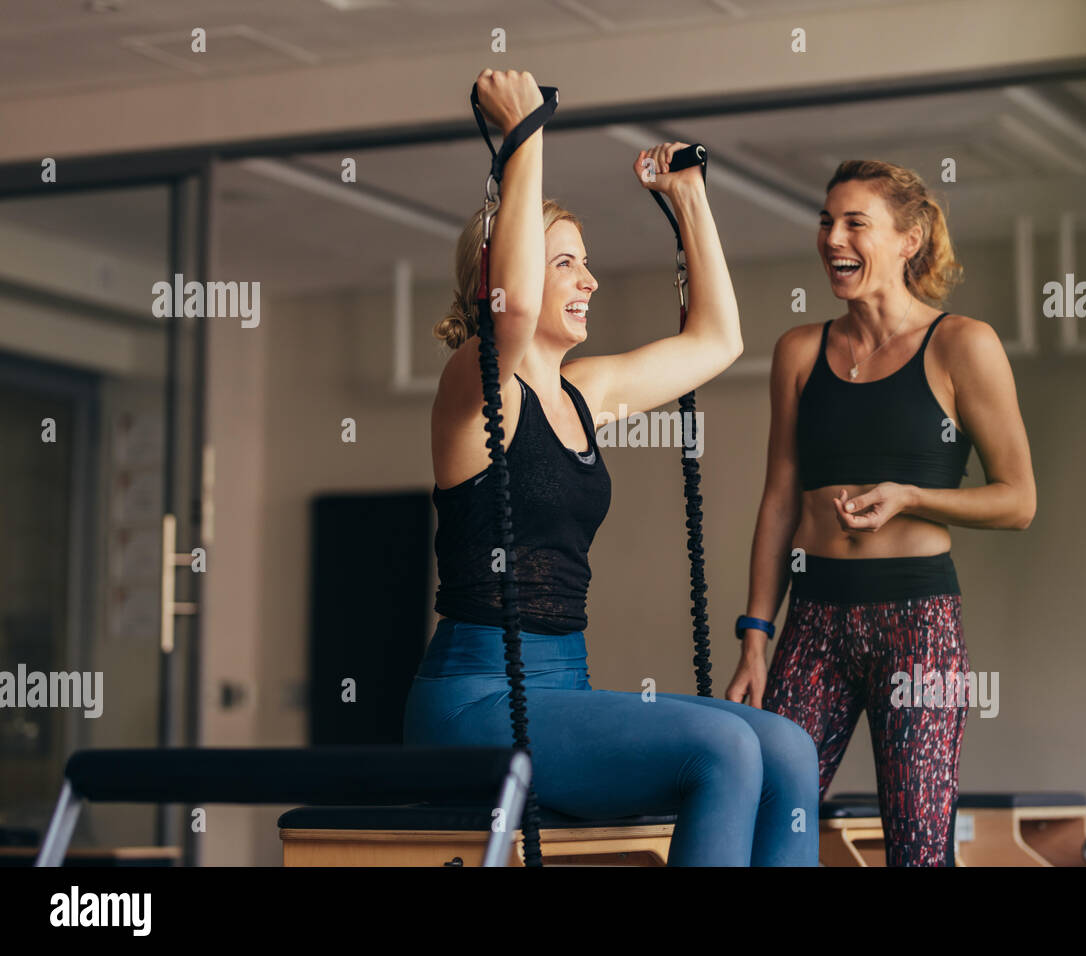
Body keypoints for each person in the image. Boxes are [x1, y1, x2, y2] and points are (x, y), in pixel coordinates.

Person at [403, 69, 820, 866]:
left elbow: (716, 344)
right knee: (723, 752)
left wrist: (689, 199)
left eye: (583, 262)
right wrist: (526, 138)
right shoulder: (473, 383)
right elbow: (512, 310)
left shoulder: (582, 393)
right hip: (478, 699)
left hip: (561, 687)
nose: (589, 279)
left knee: (788, 750)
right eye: (566, 263)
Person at [725, 159, 1036, 866]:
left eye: (854, 223)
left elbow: (1019, 499)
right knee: (765, 821)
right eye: (826, 221)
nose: (833, 236)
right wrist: (754, 635)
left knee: (919, 850)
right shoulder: (799, 353)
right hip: (813, 620)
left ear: (909, 238)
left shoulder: (963, 344)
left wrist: (911, 496)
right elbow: (779, 498)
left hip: (918, 624)